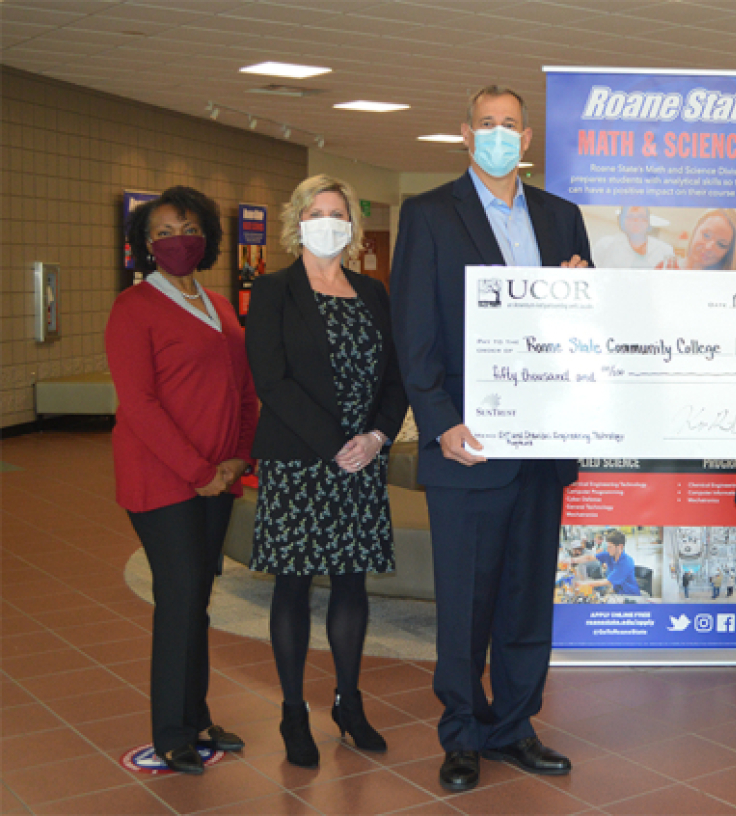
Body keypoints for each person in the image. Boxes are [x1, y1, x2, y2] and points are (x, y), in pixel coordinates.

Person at [390, 84, 591, 794]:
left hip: (541, 446)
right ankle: (462, 734)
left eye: (511, 124)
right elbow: (413, 335)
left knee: (527, 600)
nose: (499, 134)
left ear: (528, 140)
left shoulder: (563, 220)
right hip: (467, 446)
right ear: (466, 135)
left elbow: (584, 333)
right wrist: (441, 422)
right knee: (466, 603)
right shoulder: (429, 214)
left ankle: (514, 727)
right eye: (487, 124)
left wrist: (582, 291)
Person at [246, 174, 408, 768]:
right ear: (298, 221)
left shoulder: (373, 293)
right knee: (292, 586)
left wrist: (374, 438)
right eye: (316, 211)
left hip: (360, 463)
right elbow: (271, 379)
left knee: (351, 585)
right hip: (299, 462)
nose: (327, 219)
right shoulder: (274, 291)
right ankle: (293, 711)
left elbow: (396, 380)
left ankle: (349, 701)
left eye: (337, 211)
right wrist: (334, 443)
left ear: (352, 225)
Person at [106, 186, 257, 775]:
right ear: (146, 243)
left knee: (197, 600)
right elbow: (138, 406)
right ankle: (171, 731)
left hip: (219, 479)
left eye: (187, 228)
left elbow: (244, 389)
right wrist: (198, 471)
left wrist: (239, 457)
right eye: (163, 232)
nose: (177, 240)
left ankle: (197, 718)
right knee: (178, 599)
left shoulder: (218, 305)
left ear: (207, 238)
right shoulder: (134, 308)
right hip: (162, 480)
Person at [656, 208, 736, 270]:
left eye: (721, 244)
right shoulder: (665, 267)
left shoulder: (720, 283)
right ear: (695, 230)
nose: (709, 247)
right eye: (706, 235)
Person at [592, 206, 676, 269]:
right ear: (621, 221)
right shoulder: (605, 245)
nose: (636, 221)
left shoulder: (665, 249)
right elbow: (593, 275)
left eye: (641, 217)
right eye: (630, 217)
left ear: (648, 222)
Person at [569, 529, 640, 595]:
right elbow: (589, 557)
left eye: (610, 547)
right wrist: (572, 560)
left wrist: (581, 583)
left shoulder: (626, 563)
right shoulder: (609, 554)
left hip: (629, 595)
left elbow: (606, 582)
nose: (608, 549)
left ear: (620, 547)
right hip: (616, 591)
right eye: (607, 546)